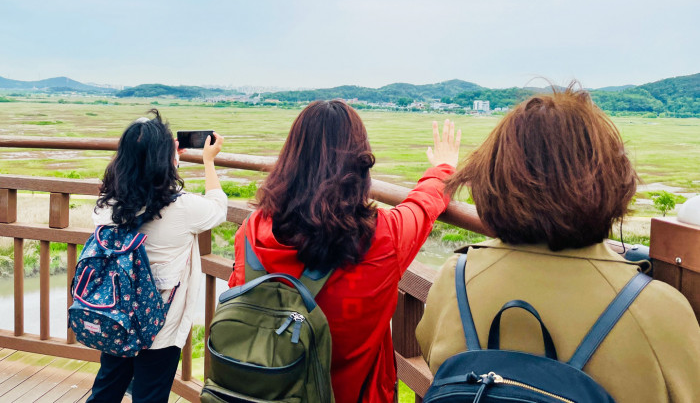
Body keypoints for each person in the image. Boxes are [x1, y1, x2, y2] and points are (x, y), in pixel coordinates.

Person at [416, 87, 700, 402]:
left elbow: (431, 356)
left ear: (493, 178)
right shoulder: (658, 310)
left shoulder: (455, 279)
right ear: (614, 181)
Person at [227, 100, 461, 403]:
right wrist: (444, 169)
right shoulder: (382, 237)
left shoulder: (252, 231)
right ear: (359, 165)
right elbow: (422, 205)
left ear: (289, 160)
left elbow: (239, 299)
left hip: (263, 393)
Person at [87, 110, 227, 403]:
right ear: (165, 160)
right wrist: (208, 161)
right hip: (158, 325)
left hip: (116, 313)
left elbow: (138, 179)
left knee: (106, 389)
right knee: (150, 394)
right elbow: (218, 208)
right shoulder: (184, 208)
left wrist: (152, 154)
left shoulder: (108, 204)